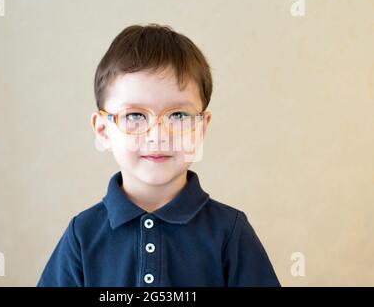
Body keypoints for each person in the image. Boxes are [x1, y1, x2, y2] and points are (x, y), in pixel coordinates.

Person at [37, 23, 280, 287]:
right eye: (135, 116)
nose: (157, 135)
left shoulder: (230, 232)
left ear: (201, 127)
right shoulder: (81, 235)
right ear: (103, 130)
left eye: (178, 115)